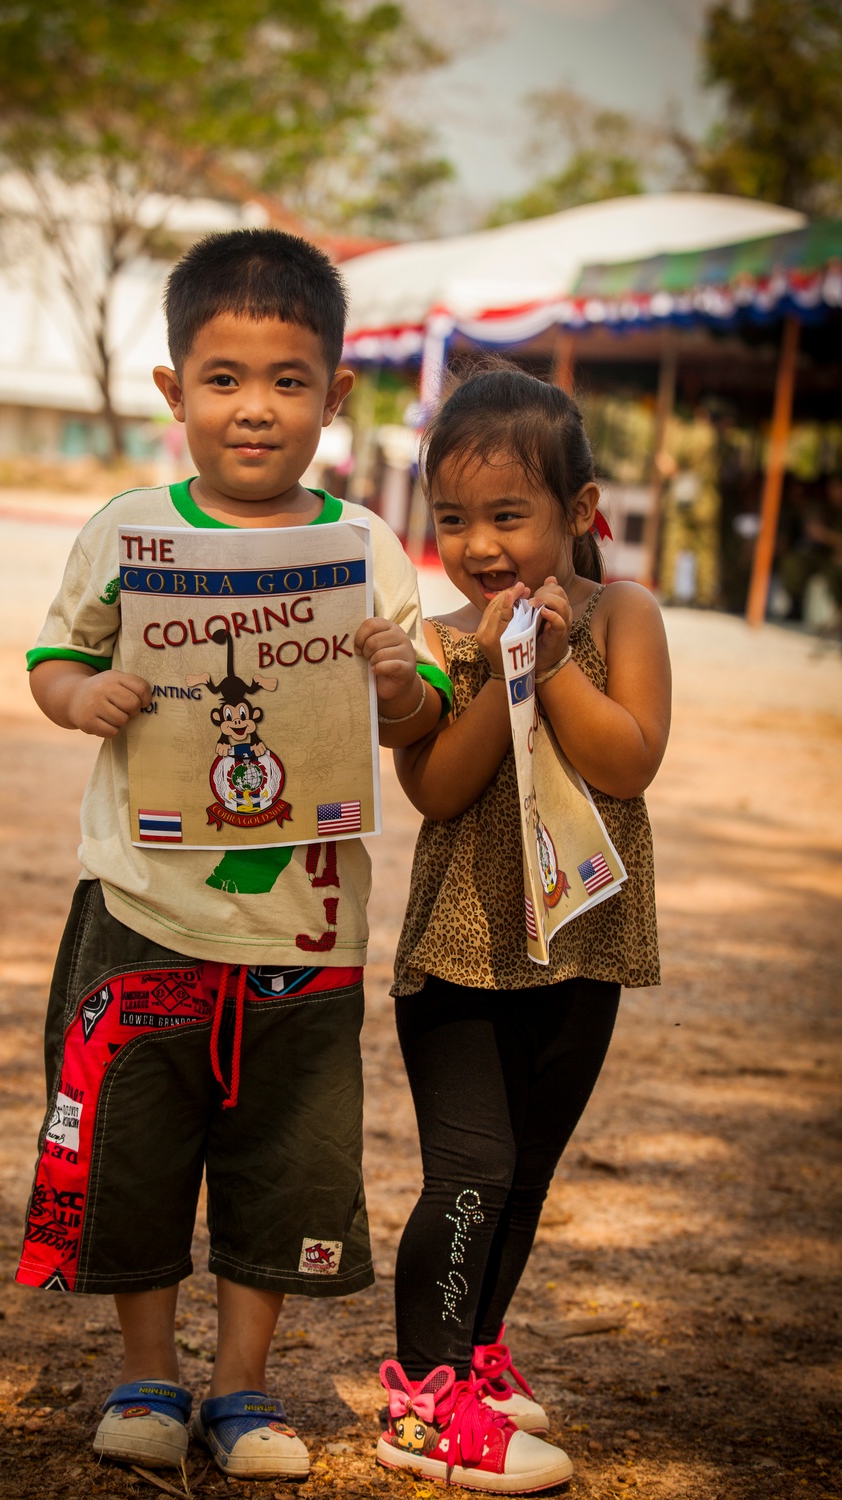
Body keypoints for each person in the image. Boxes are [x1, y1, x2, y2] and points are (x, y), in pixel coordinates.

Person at [16, 228, 451, 1480]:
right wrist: (81, 698)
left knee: (283, 1162)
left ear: (333, 394)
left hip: (302, 932)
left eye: (286, 380)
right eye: (222, 378)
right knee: (135, 1148)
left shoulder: (367, 541)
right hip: (142, 909)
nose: (253, 409)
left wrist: (396, 682)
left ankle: (244, 1389)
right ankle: (148, 1376)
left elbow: (414, 706)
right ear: (173, 390)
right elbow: (55, 656)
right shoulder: (126, 528)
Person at [376, 365, 671, 1493]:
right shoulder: (439, 637)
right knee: (470, 1170)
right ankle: (421, 1399)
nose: (481, 544)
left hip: (578, 943)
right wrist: (497, 666)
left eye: (509, 516)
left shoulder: (623, 616)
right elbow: (438, 792)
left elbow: (627, 760)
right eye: (454, 519)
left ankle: (474, 1358)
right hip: (460, 947)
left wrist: (549, 670)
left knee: (527, 1172)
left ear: (580, 512)